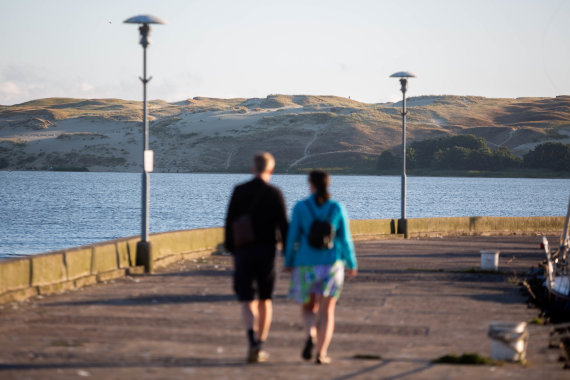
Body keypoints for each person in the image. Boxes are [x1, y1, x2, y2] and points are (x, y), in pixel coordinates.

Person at [284, 170, 357, 365]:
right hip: (332, 265)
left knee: (308, 308)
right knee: (327, 311)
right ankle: (321, 353)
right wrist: (351, 263)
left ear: (311, 184)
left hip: (305, 264)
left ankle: (310, 334)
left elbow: (292, 237)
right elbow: (345, 239)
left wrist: (288, 260)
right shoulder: (337, 207)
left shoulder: (300, 207)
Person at [224, 152, 288, 363]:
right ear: (271, 170)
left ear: (252, 169)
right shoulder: (275, 193)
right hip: (267, 253)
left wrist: (231, 249)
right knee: (265, 299)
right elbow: (284, 227)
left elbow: (230, 221)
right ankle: (260, 345)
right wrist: (288, 254)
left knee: (247, 299)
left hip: (244, 252)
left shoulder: (239, 190)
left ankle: (251, 340)